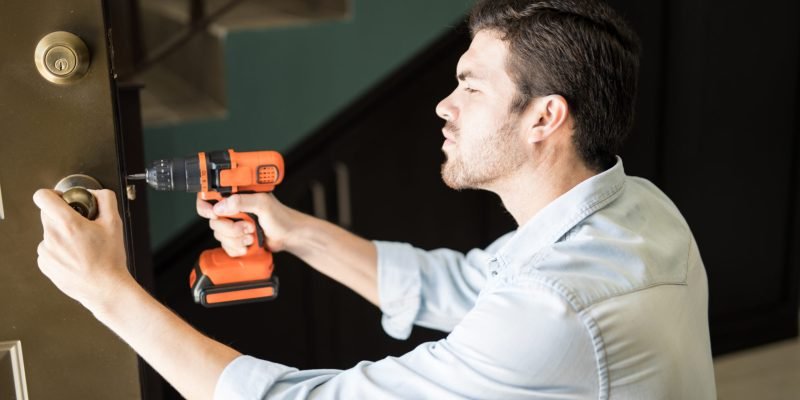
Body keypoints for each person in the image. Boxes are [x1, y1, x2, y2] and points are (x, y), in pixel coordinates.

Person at [33, 0, 717, 398]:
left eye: (471, 87)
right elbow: (461, 284)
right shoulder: (638, 209)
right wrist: (293, 231)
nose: (444, 105)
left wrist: (106, 290)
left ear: (545, 118)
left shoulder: (554, 315)